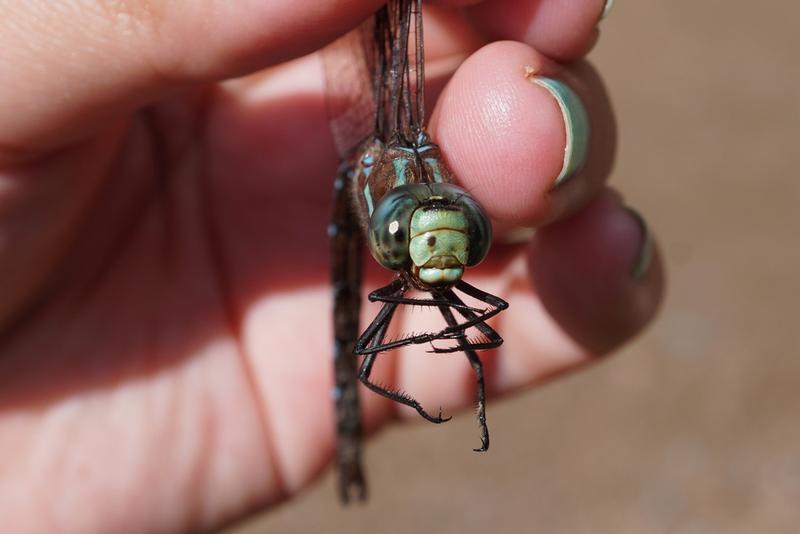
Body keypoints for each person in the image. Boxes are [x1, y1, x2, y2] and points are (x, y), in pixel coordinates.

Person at [0, 1, 662, 532]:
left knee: (512, 158)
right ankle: (354, 452)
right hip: (361, 190)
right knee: (368, 362)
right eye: (425, 239)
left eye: (466, 231)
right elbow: (375, 361)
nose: (444, 256)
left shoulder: (430, 214)